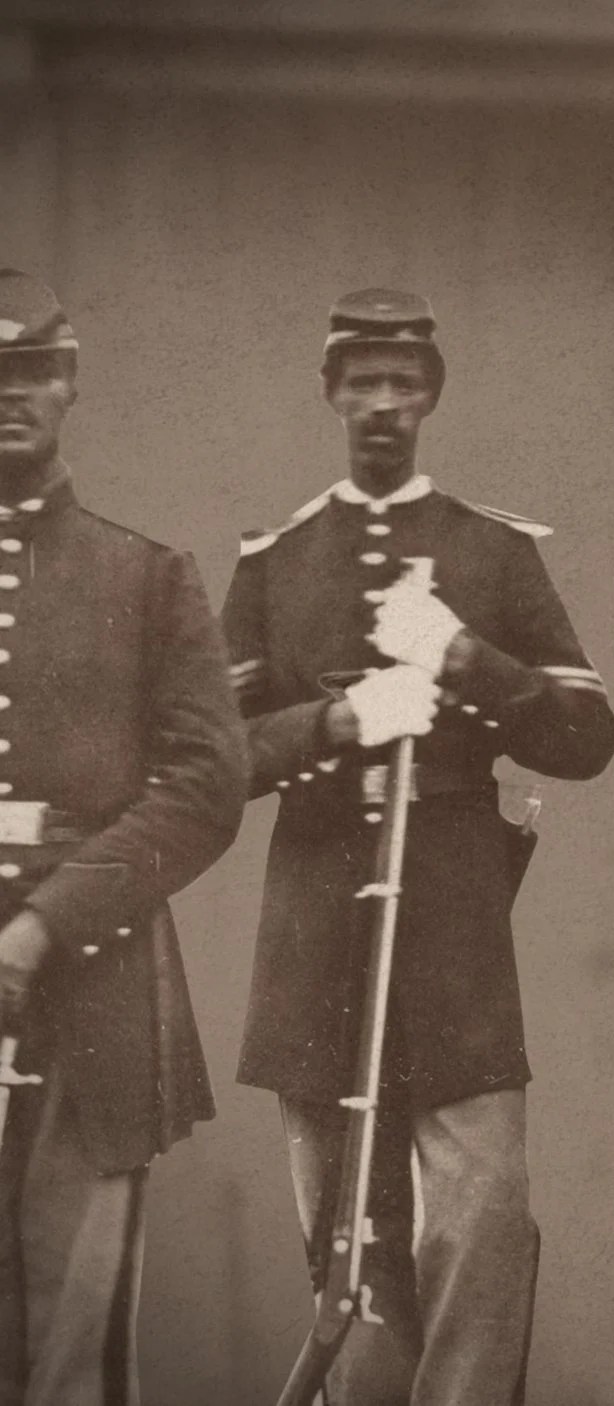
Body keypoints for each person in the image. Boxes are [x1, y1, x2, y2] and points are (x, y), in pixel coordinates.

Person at [223, 287, 614, 1404]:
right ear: (332, 394)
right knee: (345, 1238)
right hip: (316, 927)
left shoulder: (494, 551)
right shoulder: (274, 560)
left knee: (479, 1222)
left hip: (453, 927)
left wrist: (461, 657)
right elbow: (211, 758)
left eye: (404, 383)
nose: (384, 404)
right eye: (364, 383)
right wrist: (336, 722)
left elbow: (589, 737)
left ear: (432, 396)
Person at [0, 270, 243, 1405]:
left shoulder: (147, 576)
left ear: (71, 383)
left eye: (32, 371)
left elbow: (206, 789)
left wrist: (45, 924)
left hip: (95, 985)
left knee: (69, 1351)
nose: (11, 394)